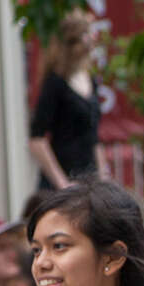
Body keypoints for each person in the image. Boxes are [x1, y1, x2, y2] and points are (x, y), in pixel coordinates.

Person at [28, 11, 103, 192]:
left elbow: (94, 138)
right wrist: (62, 183)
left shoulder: (90, 80)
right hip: (63, 180)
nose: (93, 38)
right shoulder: (55, 83)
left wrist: (104, 176)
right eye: (87, 33)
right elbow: (37, 139)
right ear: (73, 41)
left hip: (89, 179)